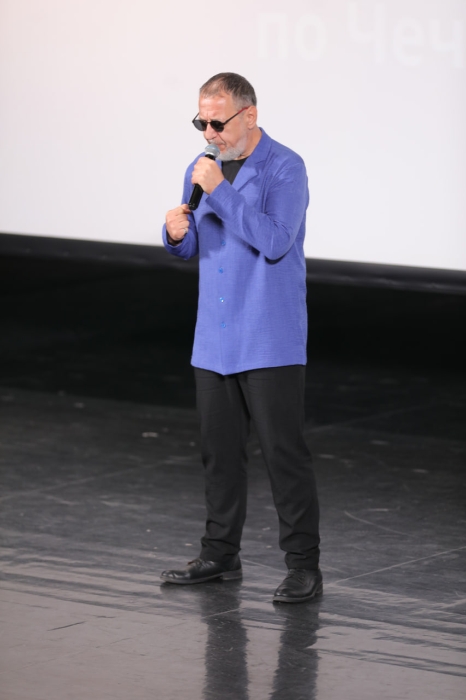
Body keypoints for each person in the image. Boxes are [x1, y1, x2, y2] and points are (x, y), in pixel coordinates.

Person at [160, 73, 322, 603]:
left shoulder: (285, 166)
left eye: (218, 122)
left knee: (283, 455)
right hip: (215, 336)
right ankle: (220, 555)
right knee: (220, 454)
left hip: (268, 336)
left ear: (249, 115)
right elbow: (197, 243)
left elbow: (275, 241)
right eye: (201, 122)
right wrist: (175, 234)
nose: (209, 133)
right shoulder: (202, 167)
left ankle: (304, 566)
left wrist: (220, 190)